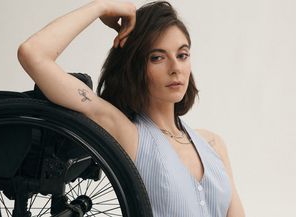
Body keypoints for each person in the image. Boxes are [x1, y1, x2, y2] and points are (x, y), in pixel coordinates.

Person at [18, 0, 245, 216]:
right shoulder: (129, 136)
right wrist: (101, 6)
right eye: (157, 57)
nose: (175, 68)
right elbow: (33, 53)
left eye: (182, 55)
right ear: (136, 66)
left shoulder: (214, 145)